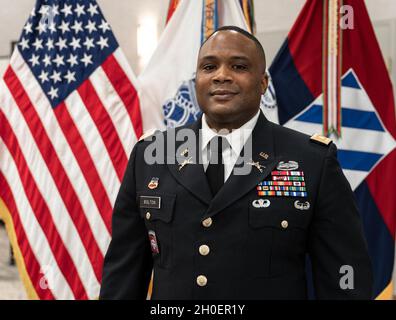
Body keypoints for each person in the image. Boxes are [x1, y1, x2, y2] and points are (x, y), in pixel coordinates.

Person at [100, 26, 373, 300]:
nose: (221, 76)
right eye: (209, 67)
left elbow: (345, 275)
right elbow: (124, 272)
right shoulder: (152, 155)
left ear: (263, 82)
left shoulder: (311, 160)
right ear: (197, 80)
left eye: (239, 66)